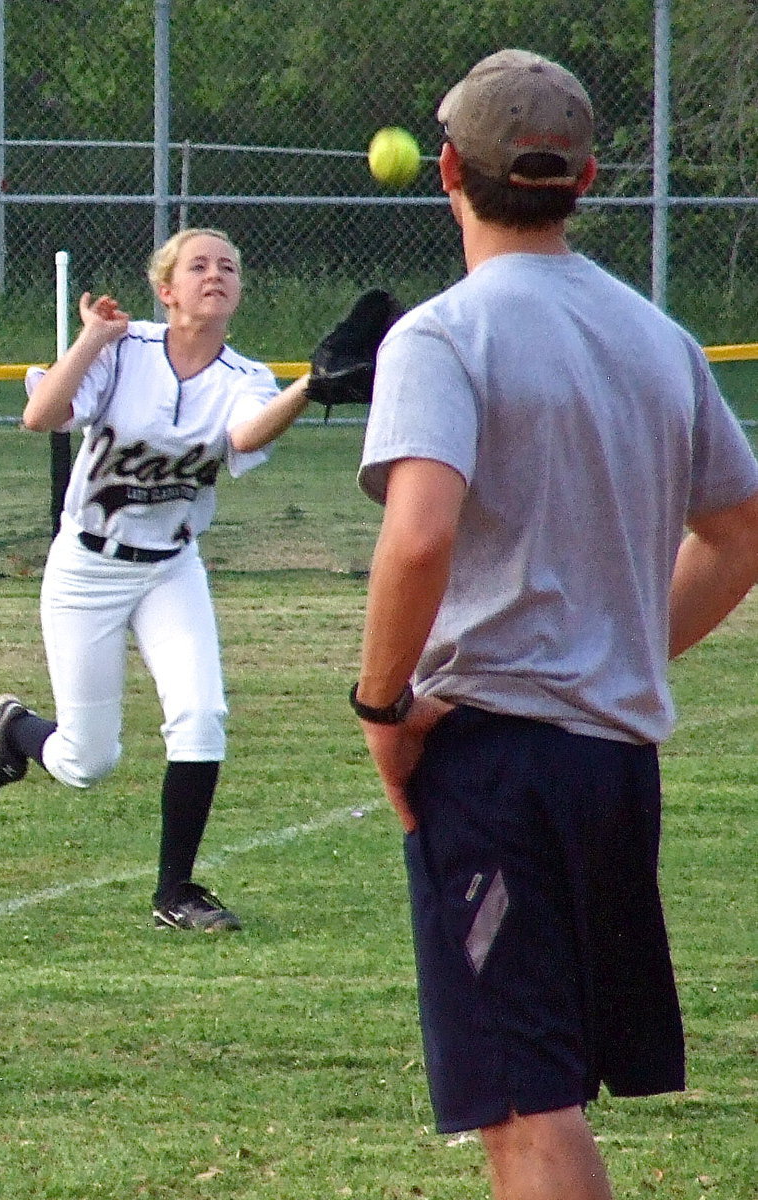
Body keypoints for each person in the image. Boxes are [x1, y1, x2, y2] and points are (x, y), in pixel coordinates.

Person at [352, 49, 758, 1200]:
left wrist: (380, 706)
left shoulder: (441, 335)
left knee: (526, 1108)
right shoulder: (656, 337)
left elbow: (420, 535)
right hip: (614, 767)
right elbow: (741, 531)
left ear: (448, 173)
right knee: (544, 1091)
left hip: (496, 766)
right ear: (584, 178)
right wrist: (617, 643)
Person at [0, 228, 311, 932]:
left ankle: (174, 893)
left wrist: (309, 387)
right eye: (198, 265)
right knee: (88, 762)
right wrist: (91, 338)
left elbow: (243, 437)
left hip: (172, 568)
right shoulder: (125, 351)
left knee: (201, 714)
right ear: (166, 289)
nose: (215, 274)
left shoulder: (245, 379)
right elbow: (39, 416)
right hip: (87, 565)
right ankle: (16, 730)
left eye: (228, 266)